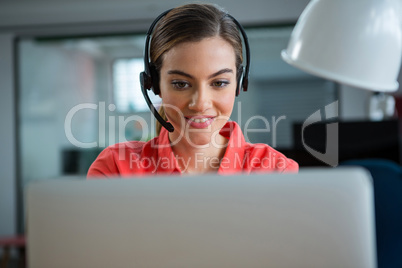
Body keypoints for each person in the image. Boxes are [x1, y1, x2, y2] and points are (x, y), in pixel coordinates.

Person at [87, 3, 298, 177]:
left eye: (219, 83)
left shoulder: (275, 170)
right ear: (155, 84)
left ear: (239, 83)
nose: (199, 103)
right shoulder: (116, 168)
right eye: (181, 84)